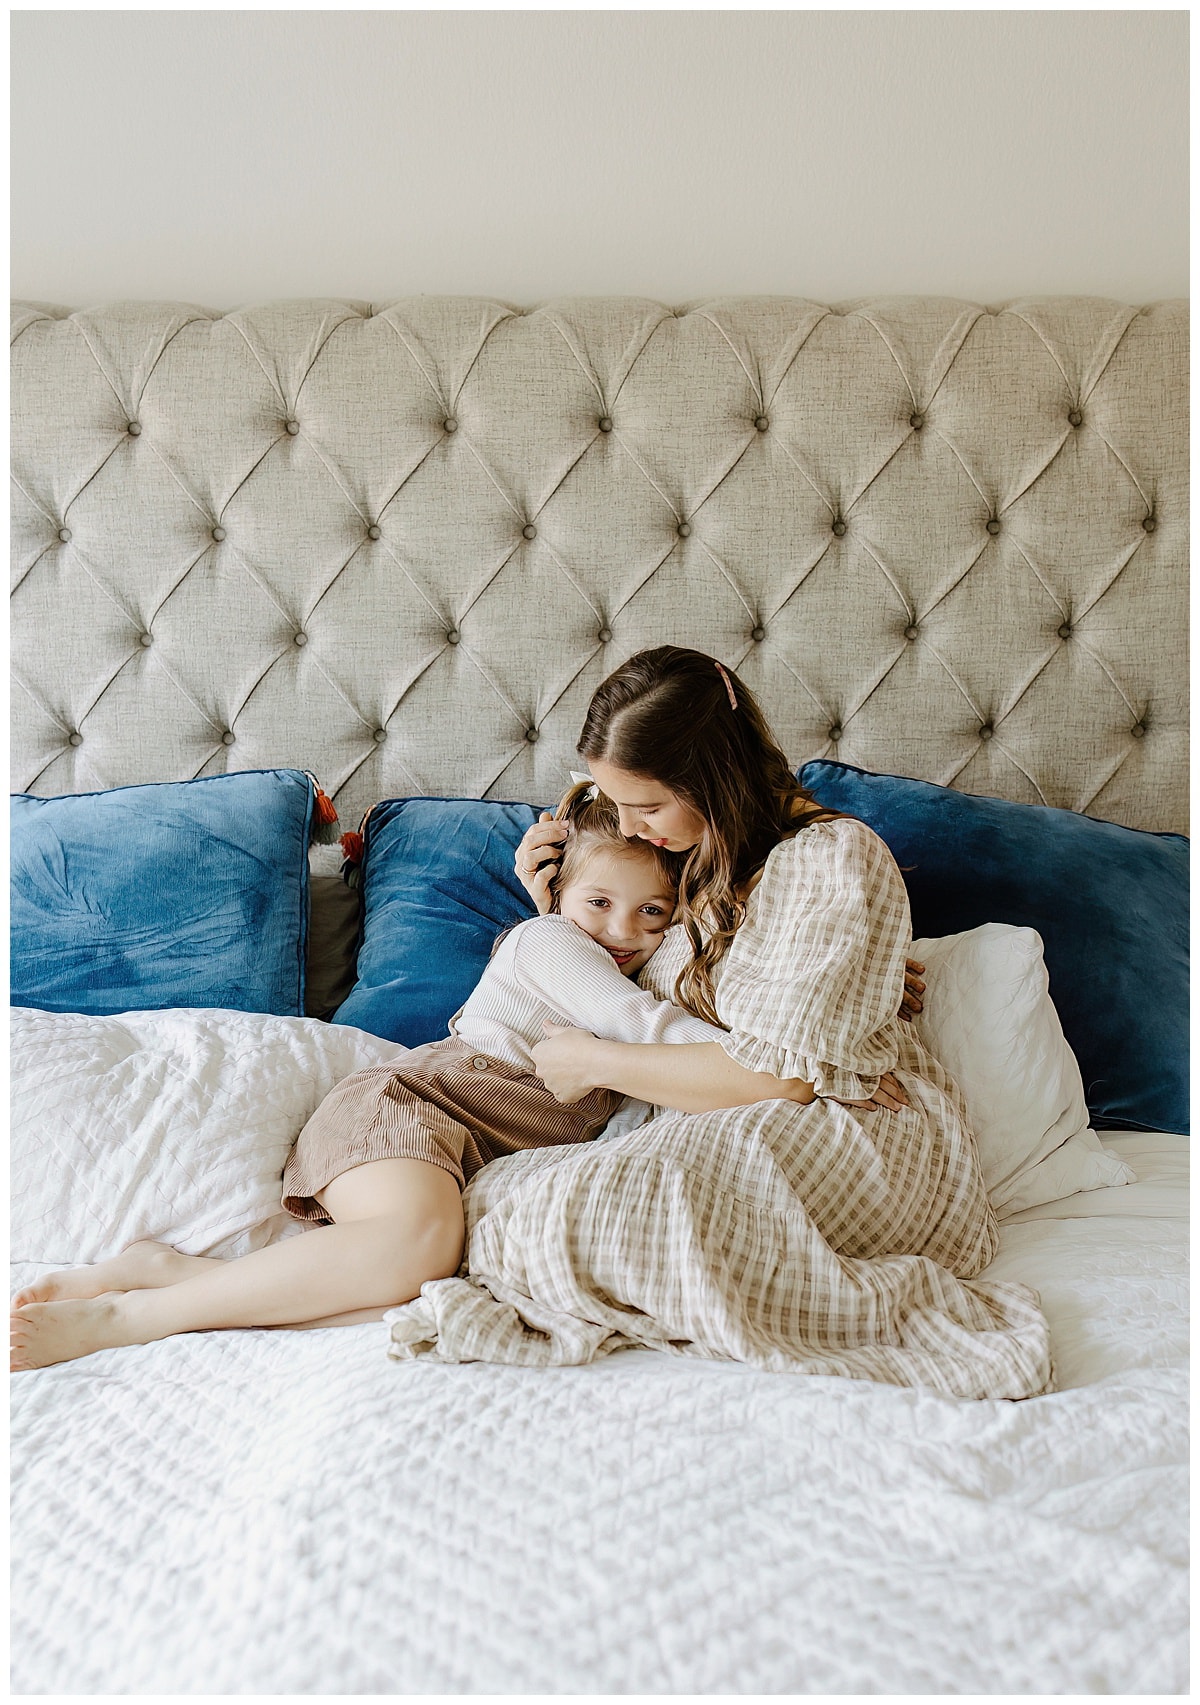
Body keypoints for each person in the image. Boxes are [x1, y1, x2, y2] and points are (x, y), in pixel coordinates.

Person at [384, 646, 1050, 1399]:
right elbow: (644, 988)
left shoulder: (833, 859)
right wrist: (557, 909)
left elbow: (786, 1076)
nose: (632, 829)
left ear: (712, 775)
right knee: (501, 1201)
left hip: (847, 1116)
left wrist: (594, 1060)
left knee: (612, 1203)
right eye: (616, 805)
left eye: (648, 806)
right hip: (724, 1109)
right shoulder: (694, 863)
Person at [10, 780, 773, 1372]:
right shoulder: (550, 942)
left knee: (419, 1293)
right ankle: (131, 1319)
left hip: (461, 1151)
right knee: (420, 1244)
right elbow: (655, 1036)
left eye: (652, 913)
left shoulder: (634, 964)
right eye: (599, 901)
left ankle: (169, 1273)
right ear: (557, 891)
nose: (621, 929)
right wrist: (791, 1065)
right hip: (410, 1105)